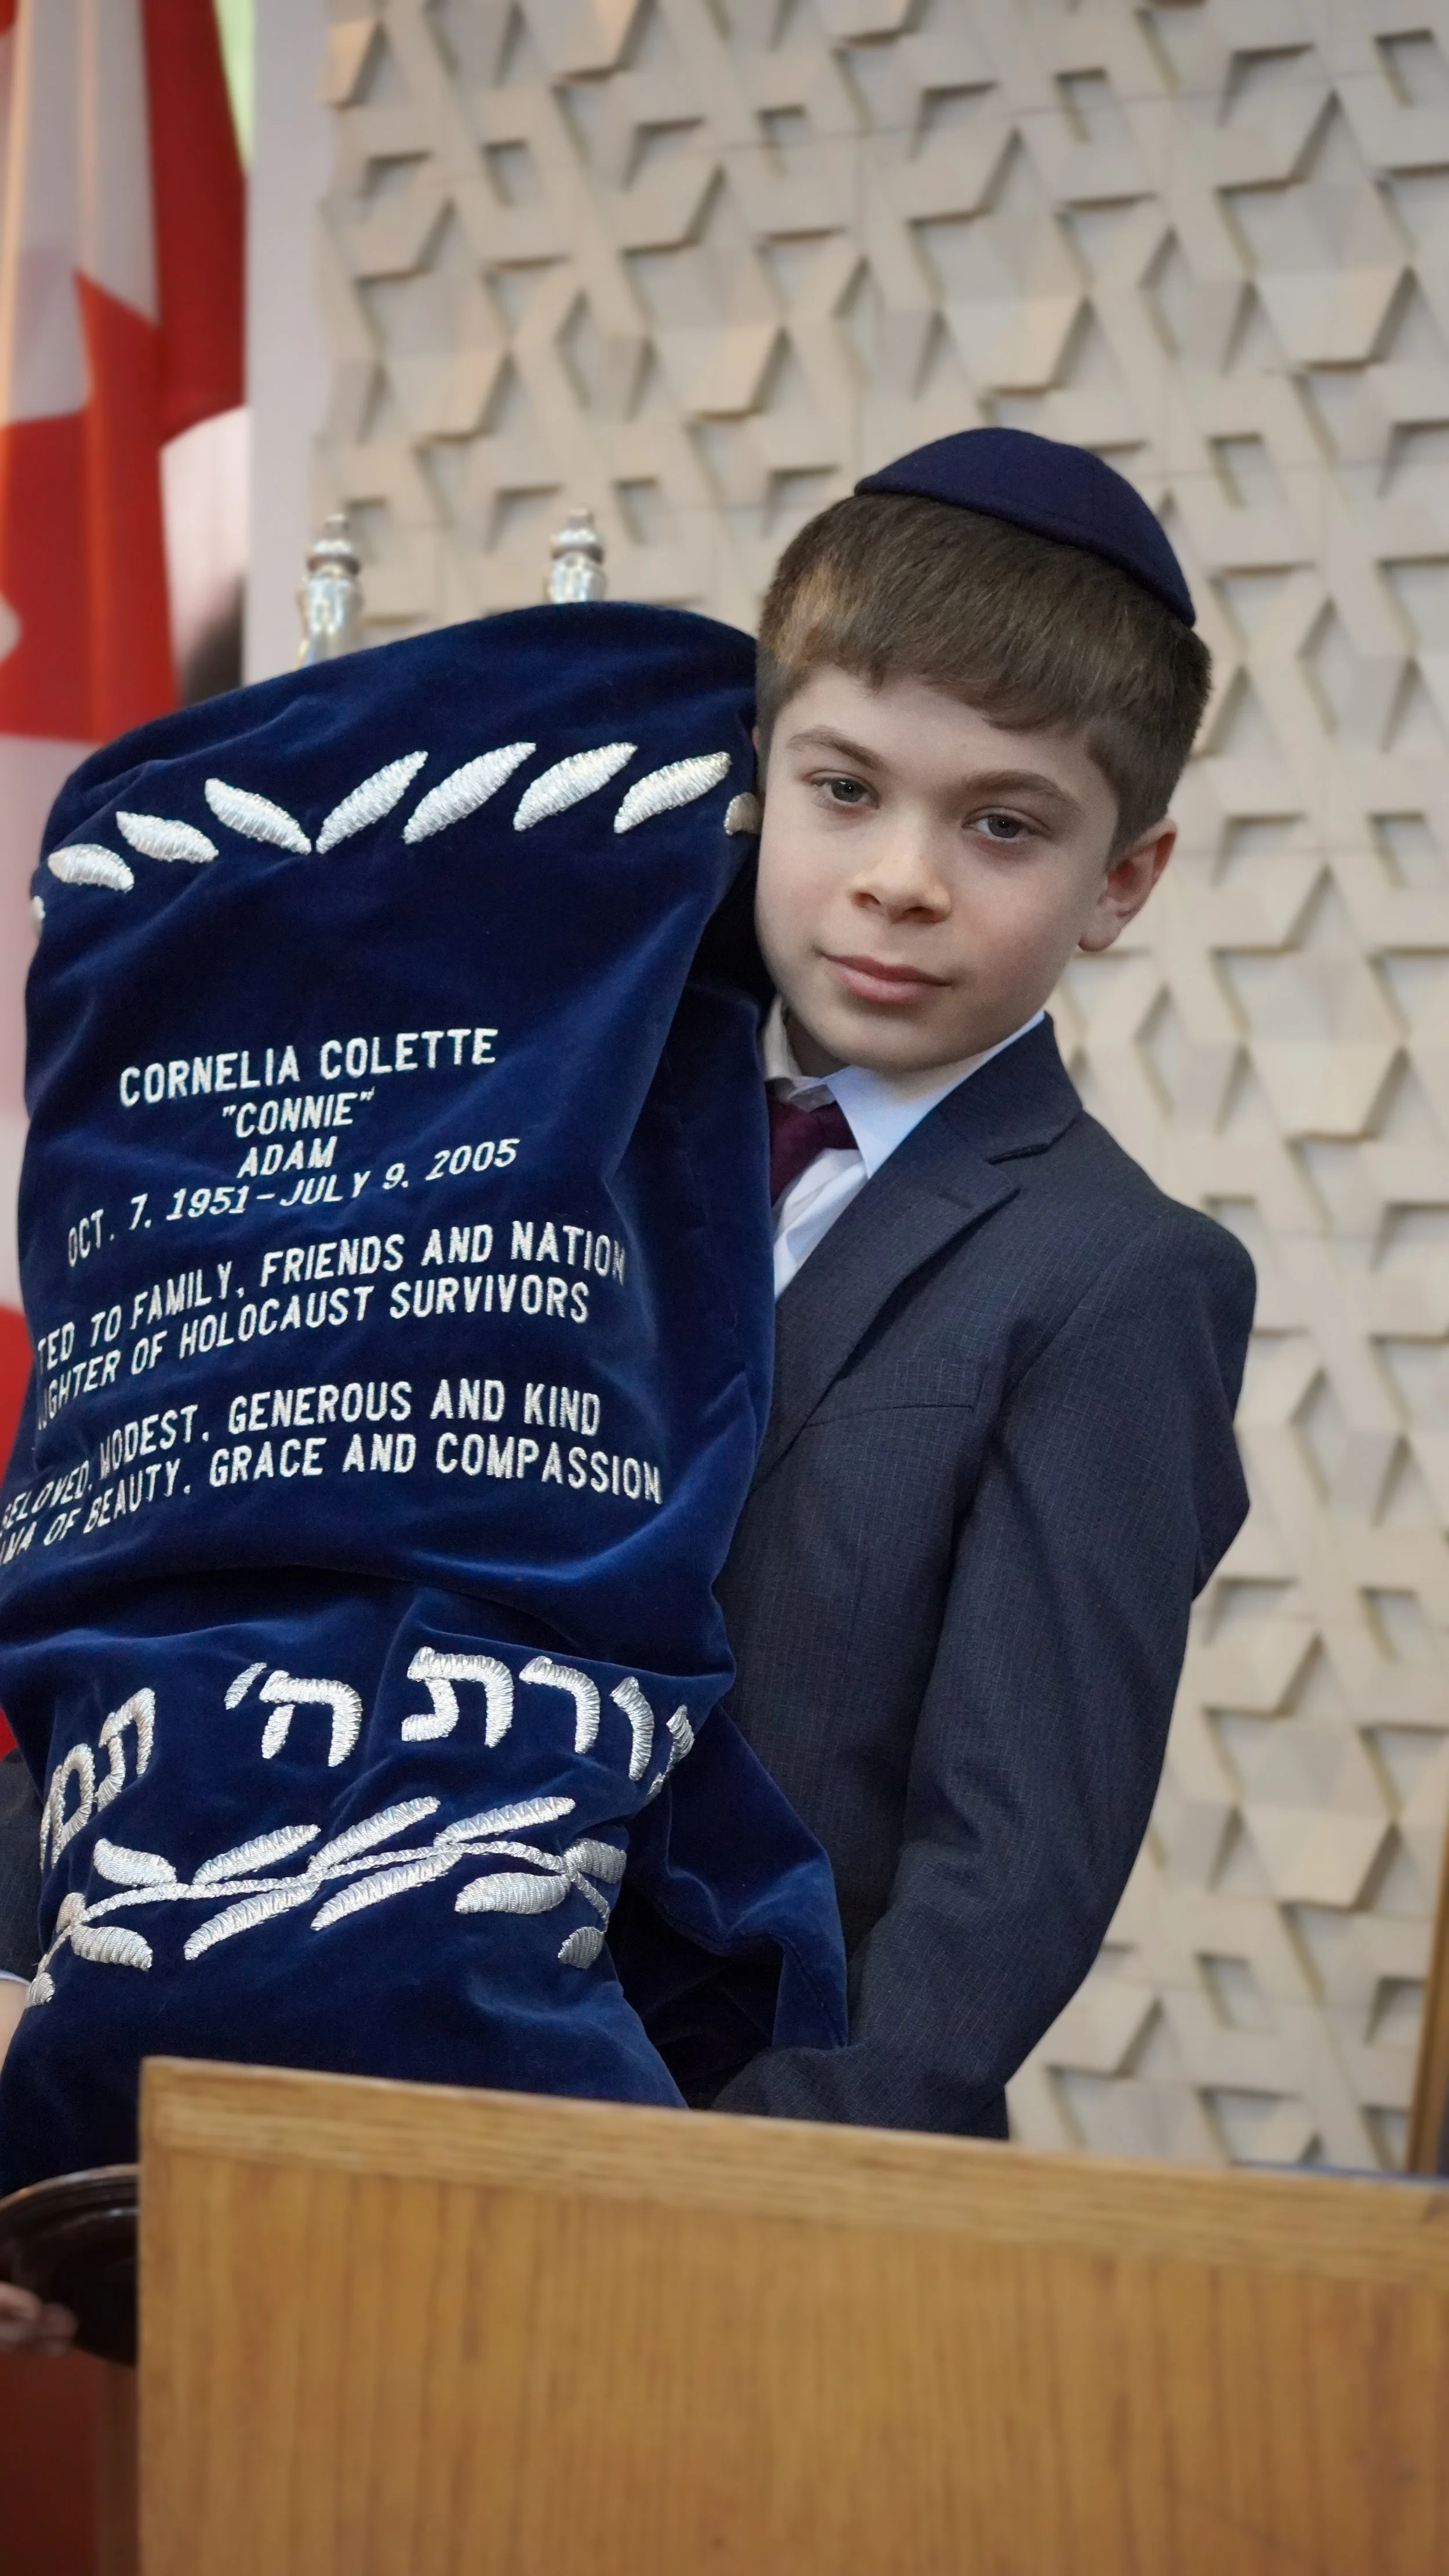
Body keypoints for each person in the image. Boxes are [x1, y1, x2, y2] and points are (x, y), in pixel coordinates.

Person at [0, 426, 1254, 2349]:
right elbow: (272, 1560)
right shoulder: (533, 1135)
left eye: (1004, 825)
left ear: (1122, 876)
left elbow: (1011, 1870)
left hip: (725, 2219)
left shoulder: (1112, 1280)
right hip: (309, 2135)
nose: (900, 881)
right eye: (844, 790)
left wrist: (715, 2197)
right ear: (749, 787)